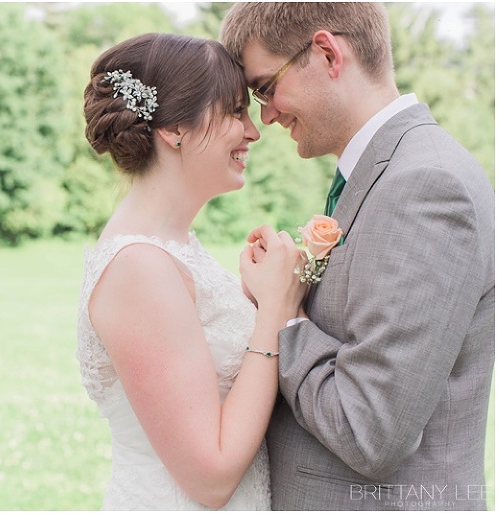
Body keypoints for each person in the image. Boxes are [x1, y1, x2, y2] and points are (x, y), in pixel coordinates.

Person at [220, 3, 495, 510]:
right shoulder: (384, 172)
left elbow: (370, 429)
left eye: (265, 88)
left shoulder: (426, 187)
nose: (267, 115)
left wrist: (285, 316)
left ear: (327, 53)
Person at [77, 32, 307, 509]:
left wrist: (257, 295)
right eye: (234, 111)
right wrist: (274, 312)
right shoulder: (138, 268)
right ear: (175, 129)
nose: (254, 131)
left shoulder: (173, 248)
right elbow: (211, 477)